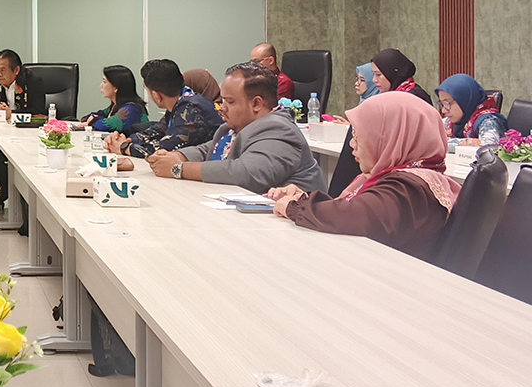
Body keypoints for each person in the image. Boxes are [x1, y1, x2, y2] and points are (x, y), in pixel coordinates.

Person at [267, 92, 459, 261]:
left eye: (359, 137)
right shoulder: (408, 178)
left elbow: (355, 216)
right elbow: (353, 209)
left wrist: (296, 206)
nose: (352, 144)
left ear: (391, 138)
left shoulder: (410, 188)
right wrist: (304, 197)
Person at [146, 62, 325, 194]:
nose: (221, 107)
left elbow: (245, 174)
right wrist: (177, 156)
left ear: (256, 104)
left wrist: (178, 168)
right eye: (223, 100)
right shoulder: (233, 127)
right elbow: (208, 149)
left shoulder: (279, 130)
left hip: (289, 229)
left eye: (230, 102)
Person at [106, 59, 220, 159]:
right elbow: (155, 132)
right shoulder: (181, 102)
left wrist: (124, 147)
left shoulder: (191, 109)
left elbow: (163, 150)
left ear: (157, 96)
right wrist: (123, 140)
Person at [0, 49, 47, 206]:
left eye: (3, 70)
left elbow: (38, 111)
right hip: (4, 133)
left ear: (16, 70)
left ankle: (21, 192)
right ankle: (9, 187)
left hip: (29, 134)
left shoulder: (33, 82)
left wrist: (12, 114)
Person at [436, 74, 507, 146]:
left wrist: (447, 142)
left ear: (464, 101)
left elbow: (488, 146)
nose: (443, 110)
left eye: (447, 103)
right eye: (442, 104)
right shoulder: (451, 122)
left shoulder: (489, 121)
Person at [81, 65, 149, 134]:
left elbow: (106, 125)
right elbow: (97, 115)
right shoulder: (115, 106)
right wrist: (92, 117)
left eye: (104, 82)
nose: (101, 85)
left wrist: (93, 120)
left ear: (115, 88)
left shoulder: (131, 108)